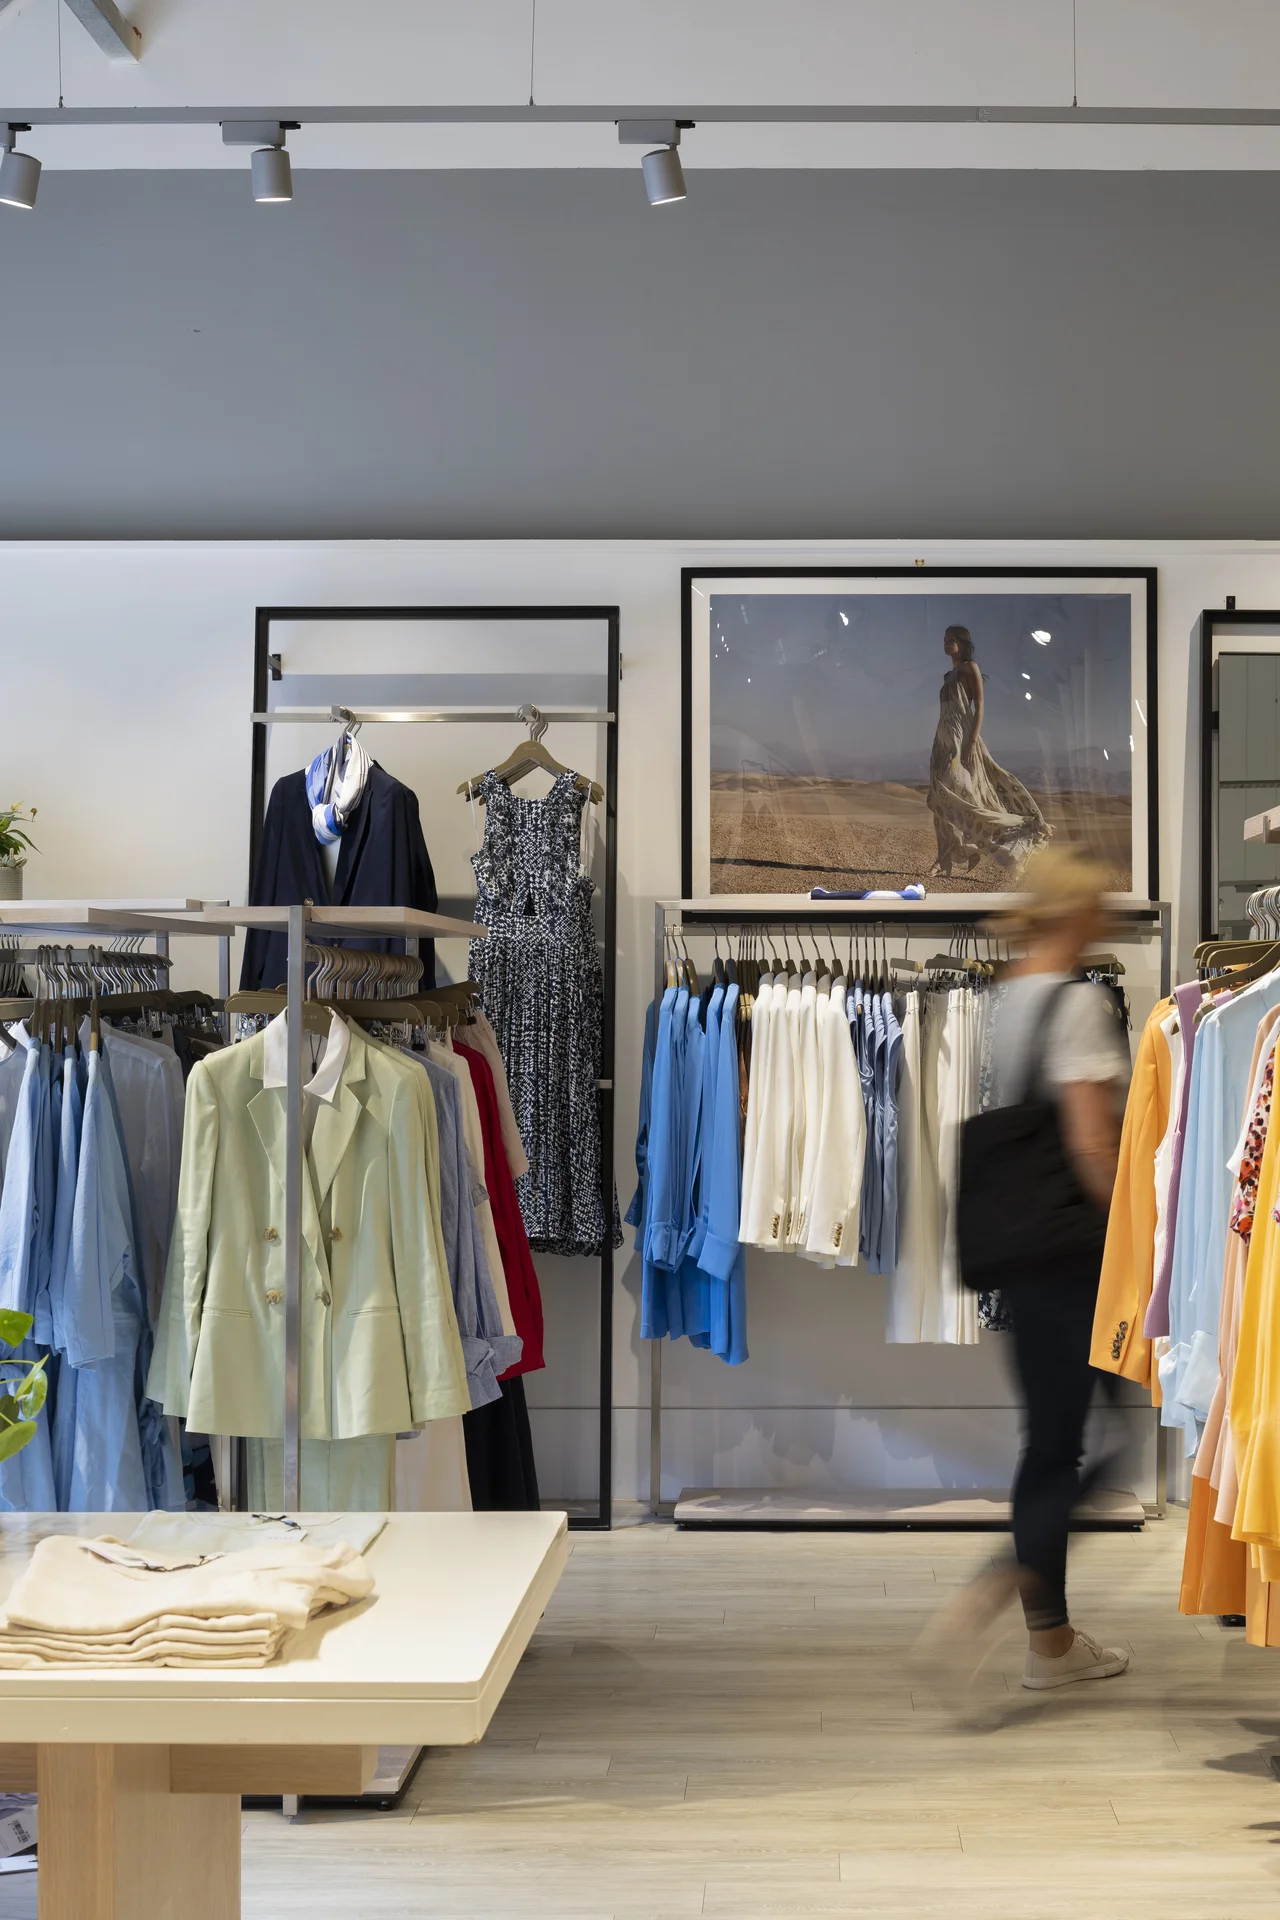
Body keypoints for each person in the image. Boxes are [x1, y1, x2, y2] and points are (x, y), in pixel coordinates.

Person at [926, 843, 1132, 1688]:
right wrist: (1138, 1235)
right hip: (1078, 1251)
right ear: (1077, 914)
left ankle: (1049, 1641)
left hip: (1024, 1251)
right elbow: (1091, 1142)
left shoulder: (1009, 997)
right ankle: (997, 1591)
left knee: (1051, 1441)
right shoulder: (1081, 1005)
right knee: (1105, 1439)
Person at [926, 624, 1050, 878]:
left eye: (951, 640)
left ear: (962, 643)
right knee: (941, 798)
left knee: (963, 794)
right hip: (943, 738)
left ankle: (1009, 845)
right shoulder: (947, 676)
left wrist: (971, 742)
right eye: (945, 640)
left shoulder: (970, 668)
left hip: (962, 736)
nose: (947, 644)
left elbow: (980, 706)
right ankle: (945, 860)